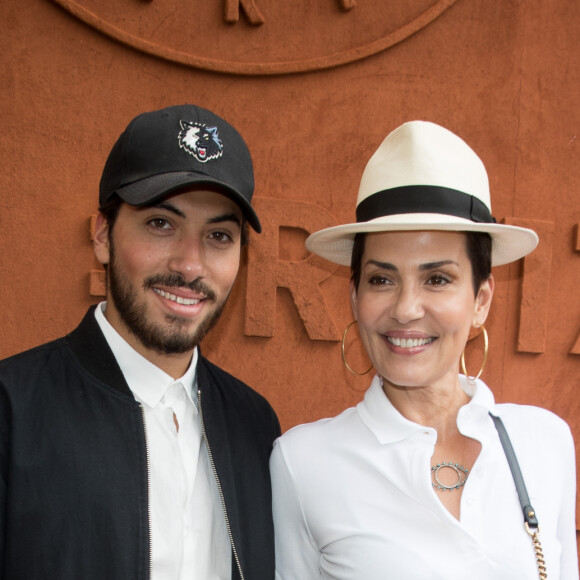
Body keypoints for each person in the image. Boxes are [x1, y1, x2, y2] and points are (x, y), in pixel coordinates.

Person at [270, 121, 578, 579]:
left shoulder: (545, 441)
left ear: (481, 300)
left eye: (437, 279)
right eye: (382, 279)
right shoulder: (303, 462)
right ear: (354, 297)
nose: (406, 309)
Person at [0, 104, 281, 579]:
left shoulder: (254, 424)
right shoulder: (13, 410)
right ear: (103, 234)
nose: (190, 265)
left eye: (218, 235)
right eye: (161, 224)